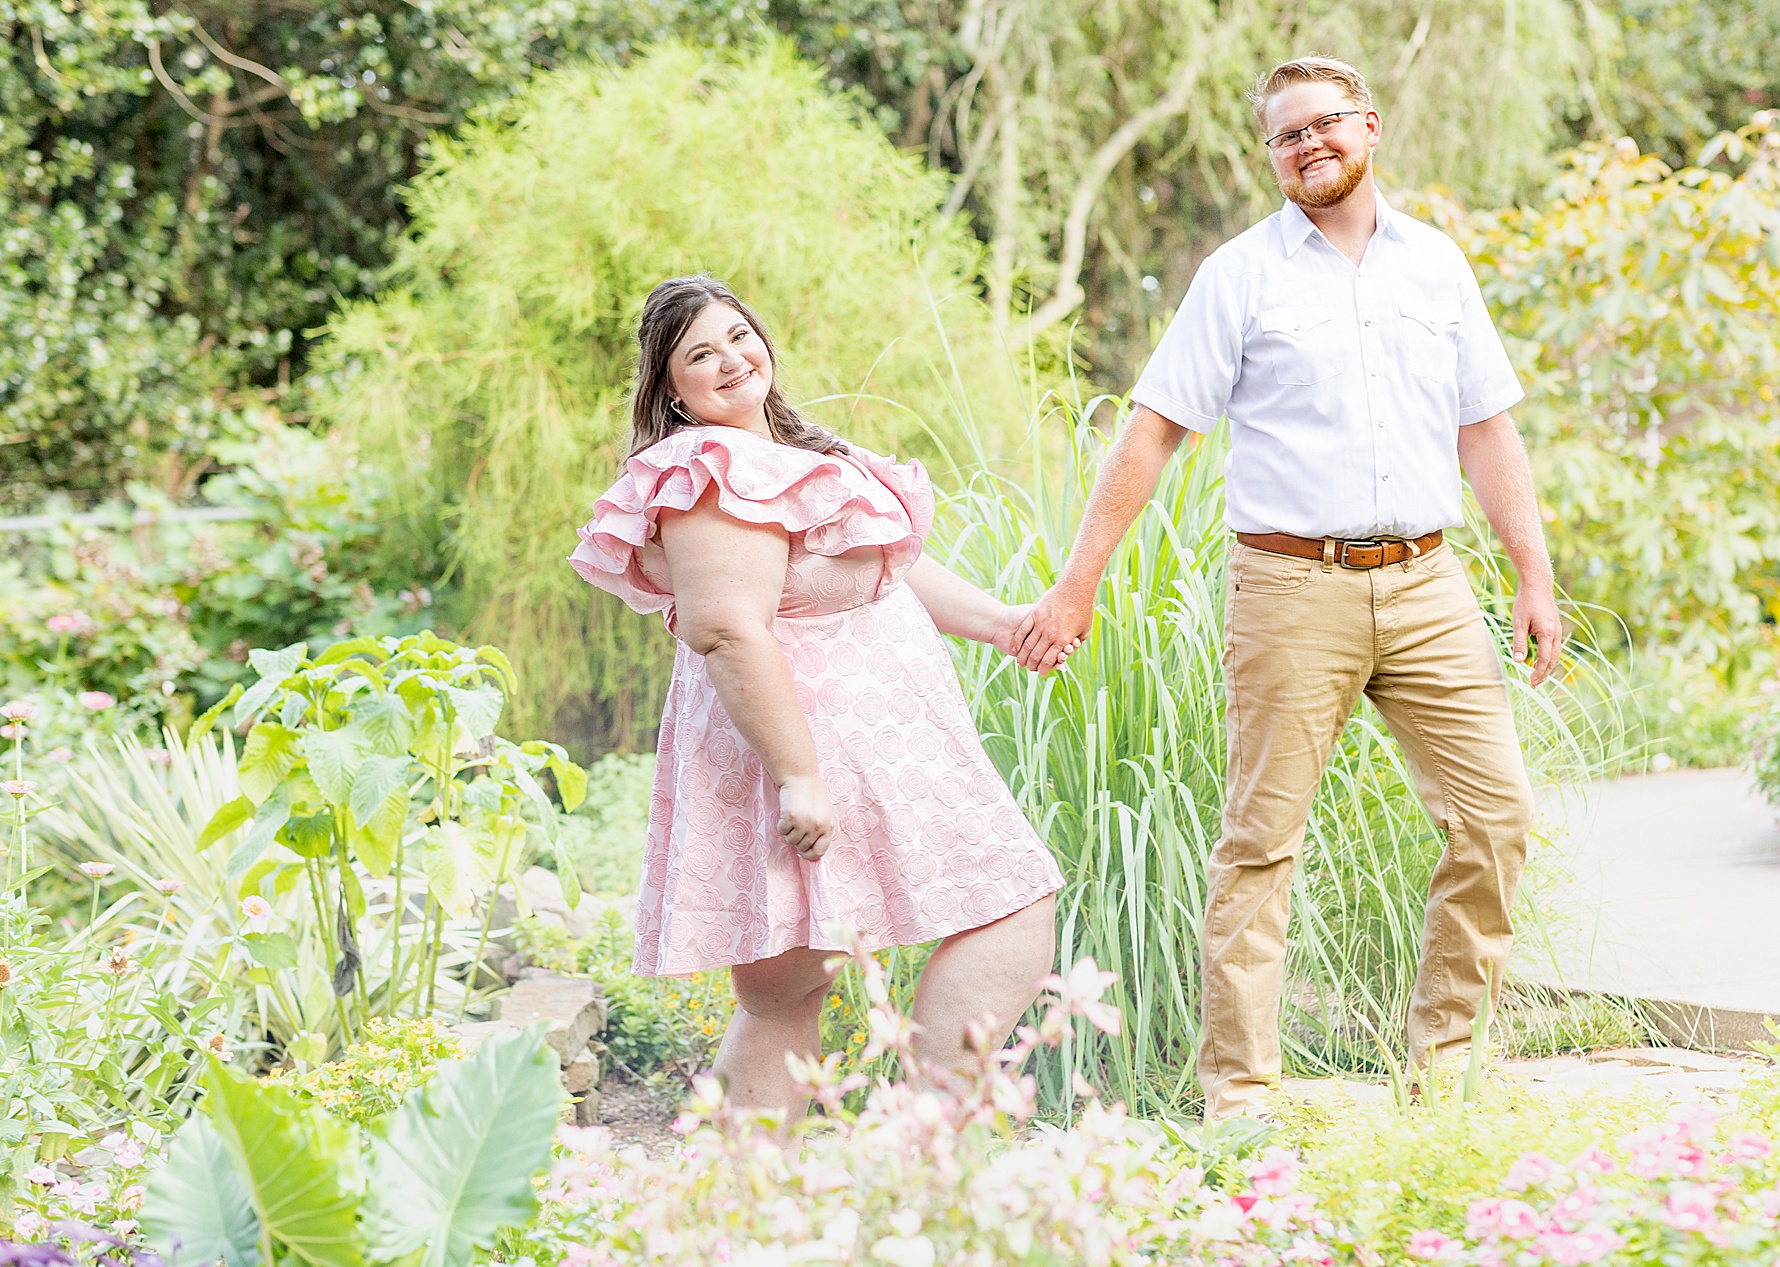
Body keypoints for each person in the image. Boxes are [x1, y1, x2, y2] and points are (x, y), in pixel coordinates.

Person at [1011, 56, 1562, 1118]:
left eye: (1323, 126)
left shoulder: (1437, 267)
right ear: (1270, 156)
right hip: (1288, 585)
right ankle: (1241, 1096)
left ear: (1368, 127)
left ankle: (1444, 1076)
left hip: (1427, 582)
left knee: (1496, 816)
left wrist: (1534, 578)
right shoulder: (1239, 275)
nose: (1307, 146)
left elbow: (1486, 429)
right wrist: (1076, 585)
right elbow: (1154, 430)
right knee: (1261, 842)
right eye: (1284, 136)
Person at [570, 275, 1069, 1116]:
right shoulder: (710, 468)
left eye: (738, 335)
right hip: (810, 752)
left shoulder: (791, 459)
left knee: (796, 980)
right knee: (835, 965)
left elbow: (886, 572)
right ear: (672, 392)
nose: (730, 359)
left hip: (882, 749)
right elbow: (728, 628)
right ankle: (898, 1159)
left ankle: (786, 1199)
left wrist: (1003, 623)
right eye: (700, 354)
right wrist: (799, 775)